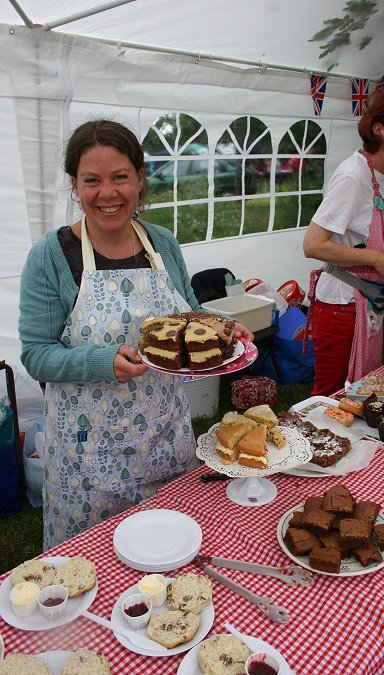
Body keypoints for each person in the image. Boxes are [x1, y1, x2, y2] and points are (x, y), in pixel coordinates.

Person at [19, 119, 253, 549]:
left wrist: (220, 325)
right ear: (75, 184)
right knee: (92, 569)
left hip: (163, 438)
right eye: (92, 180)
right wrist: (99, 361)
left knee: (167, 557)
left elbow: (187, 314)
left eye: (120, 177)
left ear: (140, 179)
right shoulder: (52, 256)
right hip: (88, 454)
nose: (107, 193)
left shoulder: (162, 243)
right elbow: (36, 353)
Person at [303, 89, 384, 396]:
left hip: (365, 303)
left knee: (358, 393)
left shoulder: (380, 175)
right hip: (340, 306)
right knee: (331, 398)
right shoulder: (353, 175)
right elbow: (313, 244)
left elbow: (366, 229)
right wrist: (377, 259)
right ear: (379, 128)